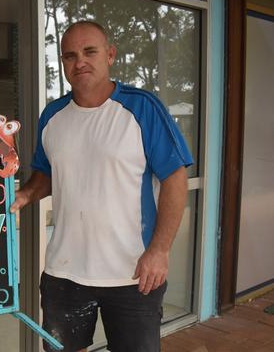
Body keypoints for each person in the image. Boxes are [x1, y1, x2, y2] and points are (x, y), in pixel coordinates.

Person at [10, 21, 193, 352]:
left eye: (89, 51)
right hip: (63, 274)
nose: (79, 61)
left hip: (133, 275)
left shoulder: (142, 108)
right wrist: (25, 194)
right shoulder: (53, 116)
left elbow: (175, 177)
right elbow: (46, 173)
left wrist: (160, 250)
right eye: (69, 55)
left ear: (110, 55)